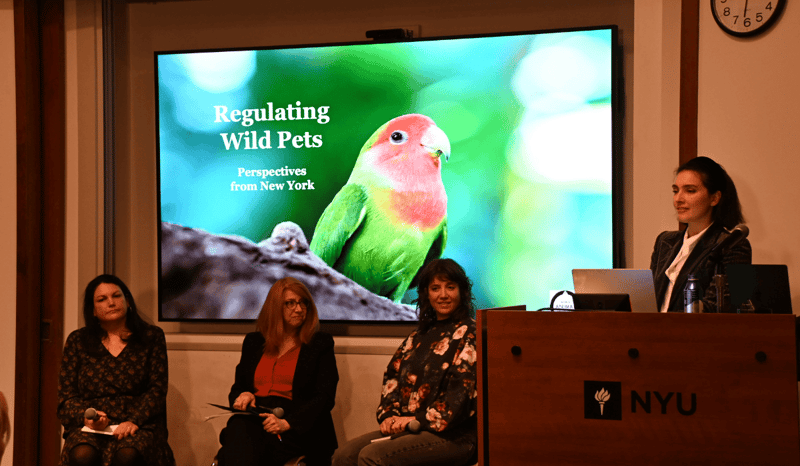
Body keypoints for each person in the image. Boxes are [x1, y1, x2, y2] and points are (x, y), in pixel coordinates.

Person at [332, 258, 478, 466]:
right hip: (411, 430)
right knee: (343, 456)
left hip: (455, 437)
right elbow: (392, 379)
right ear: (426, 294)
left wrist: (416, 420)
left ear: (462, 292)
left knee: (372, 456)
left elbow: (459, 398)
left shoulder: (471, 334)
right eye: (435, 288)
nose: (443, 295)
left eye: (450, 287)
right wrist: (389, 416)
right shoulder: (417, 337)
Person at [217, 277, 339, 466]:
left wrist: (287, 423)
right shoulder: (253, 342)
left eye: (303, 303)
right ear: (274, 307)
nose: (299, 309)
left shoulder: (320, 344)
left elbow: (324, 398)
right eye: (290, 303)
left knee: (240, 442)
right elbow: (237, 389)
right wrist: (244, 395)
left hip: (299, 426)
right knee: (241, 429)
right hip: (256, 419)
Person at [57, 274, 175, 466]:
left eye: (116, 296)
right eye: (102, 299)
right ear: (93, 310)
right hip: (93, 426)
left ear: (127, 301)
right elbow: (66, 397)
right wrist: (88, 417)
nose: (111, 303)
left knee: (128, 455)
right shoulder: (77, 340)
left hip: (138, 424)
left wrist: (134, 420)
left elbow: (157, 389)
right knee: (82, 455)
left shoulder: (151, 336)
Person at [650, 156, 752, 313]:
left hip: (694, 329)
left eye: (690, 191)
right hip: (653, 327)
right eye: (676, 191)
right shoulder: (664, 241)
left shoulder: (735, 245)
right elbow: (649, 299)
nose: (678, 199)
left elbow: (727, 306)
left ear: (714, 198)